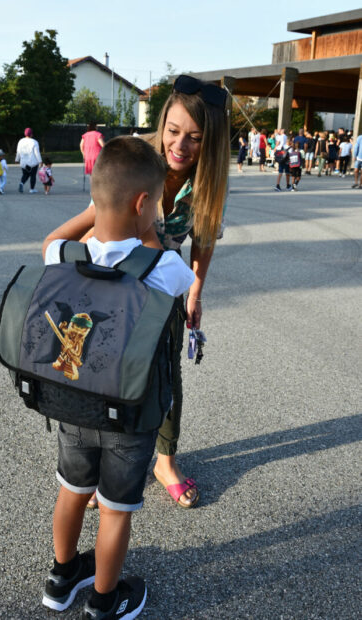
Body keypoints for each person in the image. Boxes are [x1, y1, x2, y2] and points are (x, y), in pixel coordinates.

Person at [42, 75, 230, 509]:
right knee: (102, 370)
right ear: (162, 123)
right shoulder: (135, 156)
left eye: (196, 138)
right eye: (174, 131)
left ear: (211, 143)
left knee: (165, 375)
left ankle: (164, 460)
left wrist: (195, 294)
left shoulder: (209, 182)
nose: (180, 146)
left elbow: (204, 241)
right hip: (113, 287)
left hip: (164, 289)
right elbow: (96, 218)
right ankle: (90, 466)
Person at [41, 136, 194, 619]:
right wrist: (144, 221)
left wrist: (97, 209)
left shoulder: (65, 256)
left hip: (73, 403)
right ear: (144, 203)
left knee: (72, 491)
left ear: (95, 193)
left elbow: (49, 241)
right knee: (114, 510)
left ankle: (61, 579)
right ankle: (105, 602)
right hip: (129, 414)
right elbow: (168, 267)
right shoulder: (163, 267)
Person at [16, 127, 42, 193]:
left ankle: (21, 183)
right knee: (33, 175)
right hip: (32, 163)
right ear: (31, 134)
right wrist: (40, 161)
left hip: (23, 163)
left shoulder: (21, 141)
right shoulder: (34, 142)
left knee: (25, 175)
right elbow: (37, 153)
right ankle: (32, 189)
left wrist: (17, 159)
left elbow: (18, 151)